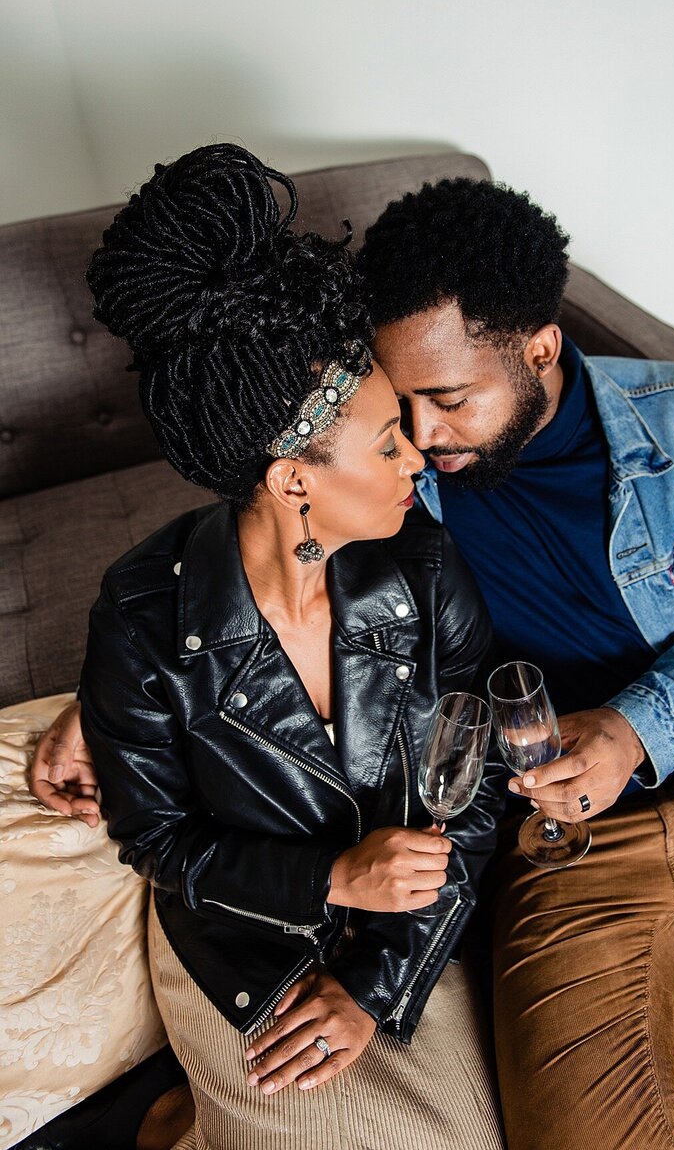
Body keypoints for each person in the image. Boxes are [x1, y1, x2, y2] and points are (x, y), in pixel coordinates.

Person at [34, 173, 674, 1149]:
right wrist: (109, 694)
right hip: (543, 806)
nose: (423, 443)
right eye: (401, 412)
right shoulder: (401, 493)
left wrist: (635, 725)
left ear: (537, 351)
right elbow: (275, 490)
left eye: (444, 402)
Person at [40, 146, 507, 1150]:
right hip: (244, 940)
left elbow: (471, 793)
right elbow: (159, 842)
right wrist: (332, 879)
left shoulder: (423, 568)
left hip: (407, 928)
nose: (417, 453)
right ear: (294, 477)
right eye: (387, 441)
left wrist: (373, 979)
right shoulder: (139, 614)